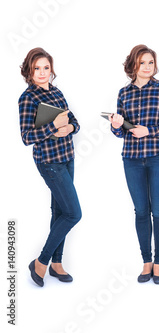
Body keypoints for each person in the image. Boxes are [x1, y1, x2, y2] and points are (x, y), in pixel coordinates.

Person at [109, 44, 159, 285]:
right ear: (133, 66)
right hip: (131, 159)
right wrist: (117, 125)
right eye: (143, 63)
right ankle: (146, 262)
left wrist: (149, 130)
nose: (148, 67)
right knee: (141, 211)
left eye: (151, 62)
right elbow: (120, 133)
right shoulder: (124, 93)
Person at [19, 47, 82, 287]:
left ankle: (57, 263)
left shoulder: (57, 93)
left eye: (46, 67)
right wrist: (53, 126)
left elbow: (74, 120)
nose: (42, 72)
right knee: (74, 214)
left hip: (67, 157)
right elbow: (26, 137)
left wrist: (70, 128)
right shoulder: (28, 98)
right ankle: (41, 261)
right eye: (37, 68)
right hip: (49, 162)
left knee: (60, 212)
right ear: (29, 71)